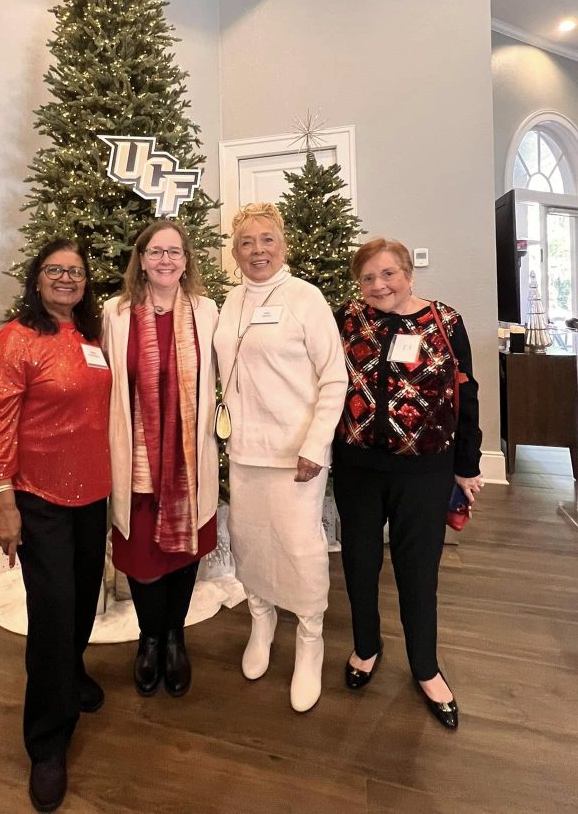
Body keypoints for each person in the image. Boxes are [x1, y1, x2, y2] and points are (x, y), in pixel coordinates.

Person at [333, 237, 484, 731]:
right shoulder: (347, 319)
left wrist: (468, 463)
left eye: (388, 274)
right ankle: (366, 646)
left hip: (424, 467)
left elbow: (467, 393)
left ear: (408, 274)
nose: (378, 285)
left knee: (418, 569)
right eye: (368, 278)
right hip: (357, 465)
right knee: (359, 561)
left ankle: (426, 667)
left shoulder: (445, 321)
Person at [0, 238, 111, 813]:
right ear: (37, 280)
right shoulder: (16, 339)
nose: (66, 278)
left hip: (93, 495)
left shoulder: (90, 339)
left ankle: (73, 672)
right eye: (55, 270)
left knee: (83, 600)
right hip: (40, 497)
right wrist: (4, 502)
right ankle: (47, 743)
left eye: (76, 271)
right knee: (54, 610)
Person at [213, 202, 347, 713]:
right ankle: (261, 619)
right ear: (235, 252)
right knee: (250, 541)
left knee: (299, 547)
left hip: (297, 455)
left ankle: (310, 639)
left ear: (283, 245)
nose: (257, 251)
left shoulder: (304, 298)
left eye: (266, 239)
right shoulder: (230, 301)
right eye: (246, 242)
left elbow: (334, 376)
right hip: (245, 451)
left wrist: (316, 445)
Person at [103, 219, 219, 699]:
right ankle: (149, 638)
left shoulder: (209, 311)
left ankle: (175, 636)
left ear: (186, 260)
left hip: (191, 459)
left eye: (174, 251)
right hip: (137, 459)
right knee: (143, 555)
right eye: (156, 251)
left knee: (184, 551)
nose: (165, 259)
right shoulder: (116, 313)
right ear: (142, 259)